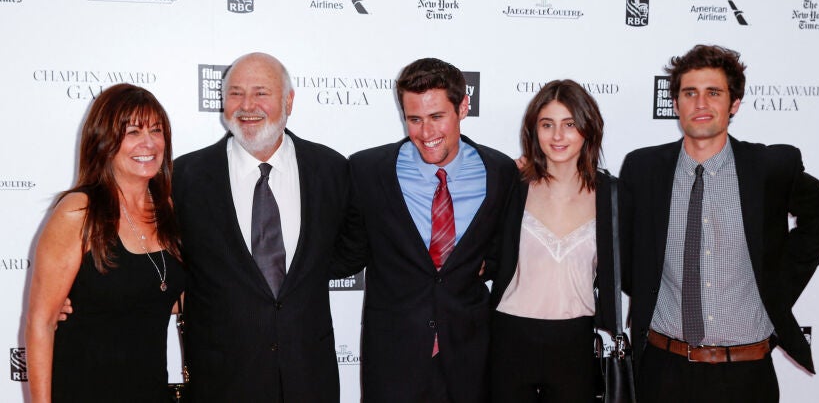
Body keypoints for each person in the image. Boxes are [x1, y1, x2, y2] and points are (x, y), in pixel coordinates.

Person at [619, 44, 819, 403]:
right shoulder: (644, 170)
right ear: (675, 104)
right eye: (689, 93)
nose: (700, 103)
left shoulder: (767, 168)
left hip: (746, 375)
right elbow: (625, 256)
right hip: (662, 371)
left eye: (714, 93)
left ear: (734, 103)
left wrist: (777, 286)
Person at [331, 57, 520, 402]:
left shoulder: (500, 172)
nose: (426, 133)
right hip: (393, 356)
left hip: (469, 355)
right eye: (414, 119)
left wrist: (485, 265)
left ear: (463, 107)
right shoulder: (368, 171)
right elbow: (351, 252)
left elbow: (503, 250)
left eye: (437, 117)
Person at [172, 52, 347, 402]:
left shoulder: (331, 169)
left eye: (261, 93)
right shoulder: (185, 177)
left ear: (289, 101)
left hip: (310, 379)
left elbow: (349, 250)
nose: (247, 105)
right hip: (221, 382)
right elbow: (162, 261)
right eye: (235, 93)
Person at [26, 83, 185, 403]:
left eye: (156, 130)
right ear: (104, 141)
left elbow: (167, 296)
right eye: (133, 131)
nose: (149, 142)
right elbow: (40, 323)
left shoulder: (168, 209)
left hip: (150, 392)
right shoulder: (79, 212)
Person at [489, 80, 616, 402]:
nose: (558, 136)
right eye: (547, 125)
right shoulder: (511, 186)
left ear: (588, 128)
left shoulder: (613, 196)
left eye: (569, 124)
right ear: (535, 131)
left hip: (575, 341)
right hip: (508, 338)